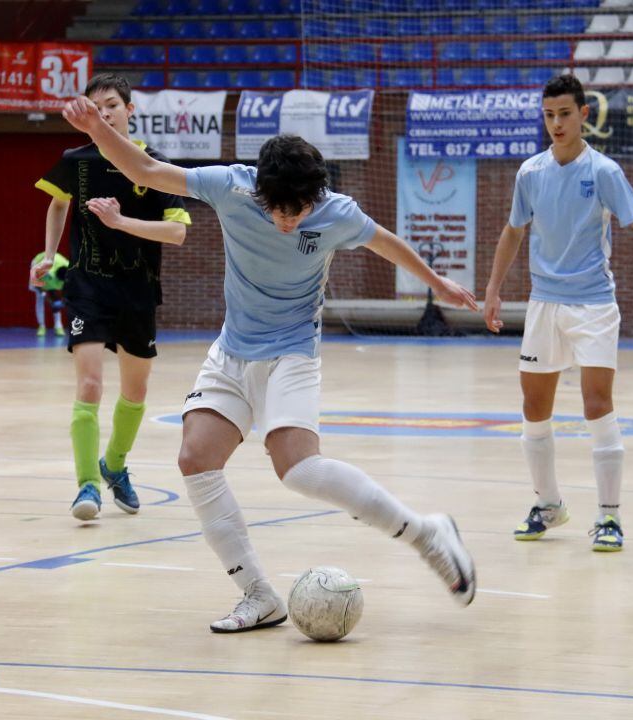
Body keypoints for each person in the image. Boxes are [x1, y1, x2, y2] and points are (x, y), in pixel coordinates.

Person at [62, 95, 479, 633]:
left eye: (297, 211)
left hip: (292, 352)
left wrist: (437, 283)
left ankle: (427, 533)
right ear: (259, 191)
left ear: (315, 198)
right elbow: (145, 168)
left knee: (300, 470)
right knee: (195, 458)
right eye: (277, 209)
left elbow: (387, 244)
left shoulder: (337, 213)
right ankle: (259, 594)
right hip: (232, 351)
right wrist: (99, 130)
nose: (286, 221)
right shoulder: (231, 186)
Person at [483, 74, 633, 552]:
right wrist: (493, 290)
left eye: (565, 114)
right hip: (543, 304)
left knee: (597, 406)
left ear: (584, 116)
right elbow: (513, 232)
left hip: (594, 304)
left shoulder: (604, 172)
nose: (556, 123)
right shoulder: (529, 173)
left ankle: (609, 517)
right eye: (549, 114)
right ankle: (549, 504)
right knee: (534, 409)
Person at [32, 74, 192, 522]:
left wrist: (123, 224)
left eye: (111, 107)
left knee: (135, 391)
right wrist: (49, 254)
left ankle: (115, 466)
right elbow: (58, 203)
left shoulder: (154, 165)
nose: (103, 114)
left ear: (130, 110)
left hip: (138, 289)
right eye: (95, 108)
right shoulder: (75, 160)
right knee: (88, 385)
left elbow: (177, 233)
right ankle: (86, 484)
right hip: (87, 286)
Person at [29, 249, 68, 337]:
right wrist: (49, 300)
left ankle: (58, 326)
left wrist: (63, 301)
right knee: (40, 297)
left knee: (56, 301)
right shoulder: (45, 271)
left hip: (51, 264)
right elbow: (38, 286)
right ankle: (41, 326)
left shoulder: (71, 269)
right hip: (37, 266)